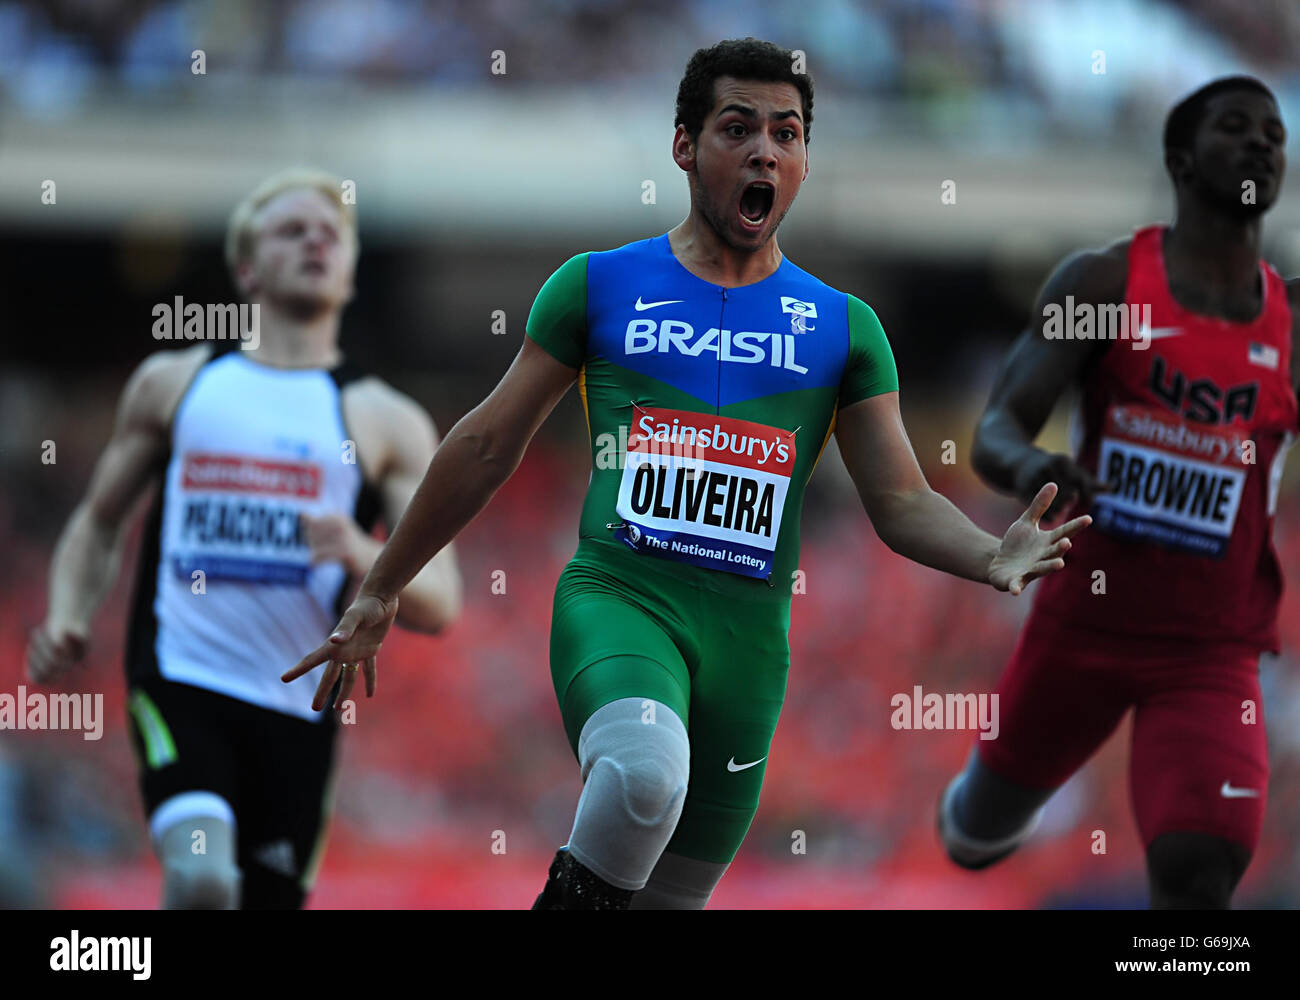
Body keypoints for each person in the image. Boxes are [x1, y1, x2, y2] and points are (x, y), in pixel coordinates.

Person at [285, 38, 1087, 910]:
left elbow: (899, 500)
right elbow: (485, 445)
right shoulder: (595, 287)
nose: (763, 152)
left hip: (749, 651)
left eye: (786, 134)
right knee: (641, 778)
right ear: (683, 145)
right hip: (622, 600)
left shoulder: (844, 329)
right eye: (737, 128)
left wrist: (988, 555)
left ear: (804, 161)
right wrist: (382, 587)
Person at [26, 168, 462, 909]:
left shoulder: (386, 419)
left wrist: (362, 553)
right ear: (247, 267)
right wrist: (67, 613)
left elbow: (441, 602)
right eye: (293, 230)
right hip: (181, 680)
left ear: (351, 270)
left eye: (332, 234)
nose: (316, 241)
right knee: (200, 880)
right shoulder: (177, 382)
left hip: (298, 710)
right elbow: (99, 521)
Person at [938, 76, 1298, 909]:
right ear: (1179, 159)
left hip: (1212, 652)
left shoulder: (1293, 325)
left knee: (1201, 871)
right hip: (1084, 625)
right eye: (1235, 129)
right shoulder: (1101, 285)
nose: (1260, 146)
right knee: (976, 838)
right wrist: (1034, 467)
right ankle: (978, 808)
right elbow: (998, 428)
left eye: (1274, 135)